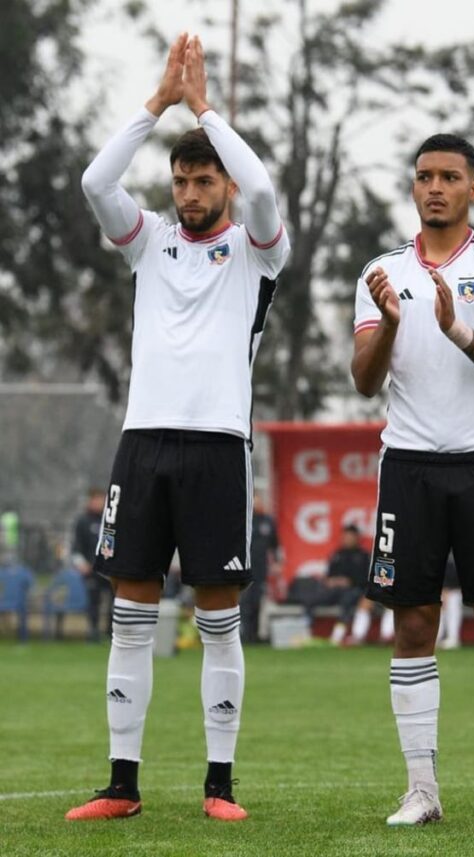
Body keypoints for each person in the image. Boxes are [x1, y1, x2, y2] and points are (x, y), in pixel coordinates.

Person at [66, 33, 289, 823]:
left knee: (219, 616)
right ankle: (121, 783)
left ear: (222, 181)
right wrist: (155, 104)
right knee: (131, 612)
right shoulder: (151, 241)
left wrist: (205, 108)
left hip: (218, 447)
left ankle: (218, 785)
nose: (190, 192)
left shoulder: (259, 248)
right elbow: (97, 179)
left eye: (203, 180)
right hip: (144, 444)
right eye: (182, 179)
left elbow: (262, 186)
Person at [350, 133, 474, 825]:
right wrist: (387, 323)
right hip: (407, 466)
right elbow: (364, 380)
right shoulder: (380, 270)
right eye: (424, 176)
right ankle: (421, 789)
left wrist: (456, 329)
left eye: (449, 176)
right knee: (414, 621)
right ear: (413, 188)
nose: (435, 186)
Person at [70, 488, 113, 642]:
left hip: (110, 570)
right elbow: (76, 547)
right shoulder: (83, 521)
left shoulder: (110, 521)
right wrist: (82, 564)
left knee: (114, 602)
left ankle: (110, 632)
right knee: (93, 601)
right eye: (97, 499)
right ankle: (93, 632)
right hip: (92, 571)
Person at [240, 494, 281, 644]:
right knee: (245, 602)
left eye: (259, 500)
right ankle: (245, 634)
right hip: (244, 568)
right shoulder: (243, 519)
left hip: (261, 569)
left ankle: (255, 635)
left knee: (257, 601)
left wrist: (277, 562)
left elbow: (275, 545)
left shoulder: (267, 521)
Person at [323, 524, 370, 645]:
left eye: (350, 536)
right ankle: (306, 629)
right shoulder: (337, 555)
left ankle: (337, 635)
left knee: (348, 599)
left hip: (355, 590)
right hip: (335, 591)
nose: (347, 539)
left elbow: (365, 579)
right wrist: (332, 581)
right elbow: (328, 575)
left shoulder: (364, 556)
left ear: (357, 538)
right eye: (345, 536)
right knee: (313, 597)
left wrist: (349, 581)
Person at [437, 553, 463, 650]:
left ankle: (453, 638)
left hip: (454, 591)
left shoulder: (454, 563)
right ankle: (438, 638)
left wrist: (447, 590)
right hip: (441, 591)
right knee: (440, 613)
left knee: (453, 612)